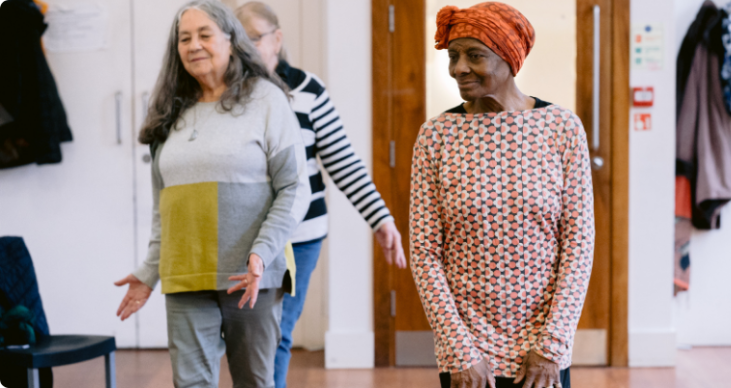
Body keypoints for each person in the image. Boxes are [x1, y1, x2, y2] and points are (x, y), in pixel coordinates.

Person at [113, 1, 310, 386]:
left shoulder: (266, 100)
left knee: (254, 381)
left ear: (232, 42)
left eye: (204, 35)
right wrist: (150, 270)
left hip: (249, 275)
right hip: (186, 273)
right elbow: (163, 208)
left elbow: (293, 187)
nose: (193, 45)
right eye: (184, 38)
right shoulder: (170, 112)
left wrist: (262, 252)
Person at [409, 3, 595, 388]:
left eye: (474, 55)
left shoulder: (561, 128)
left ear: (510, 58)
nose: (458, 67)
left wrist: (552, 346)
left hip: (543, 343)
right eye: (453, 55)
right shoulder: (436, 136)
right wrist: (458, 349)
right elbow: (426, 252)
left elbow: (578, 244)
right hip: (466, 345)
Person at [234, 3, 407, 388]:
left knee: (277, 331)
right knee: (241, 334)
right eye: (236, 39)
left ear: (277, 39)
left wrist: (380, 219)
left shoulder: (306, 90)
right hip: (239, 235)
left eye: (254, 38)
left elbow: (343, 161)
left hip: (299, 235)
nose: (244, 47)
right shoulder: (222, 94)